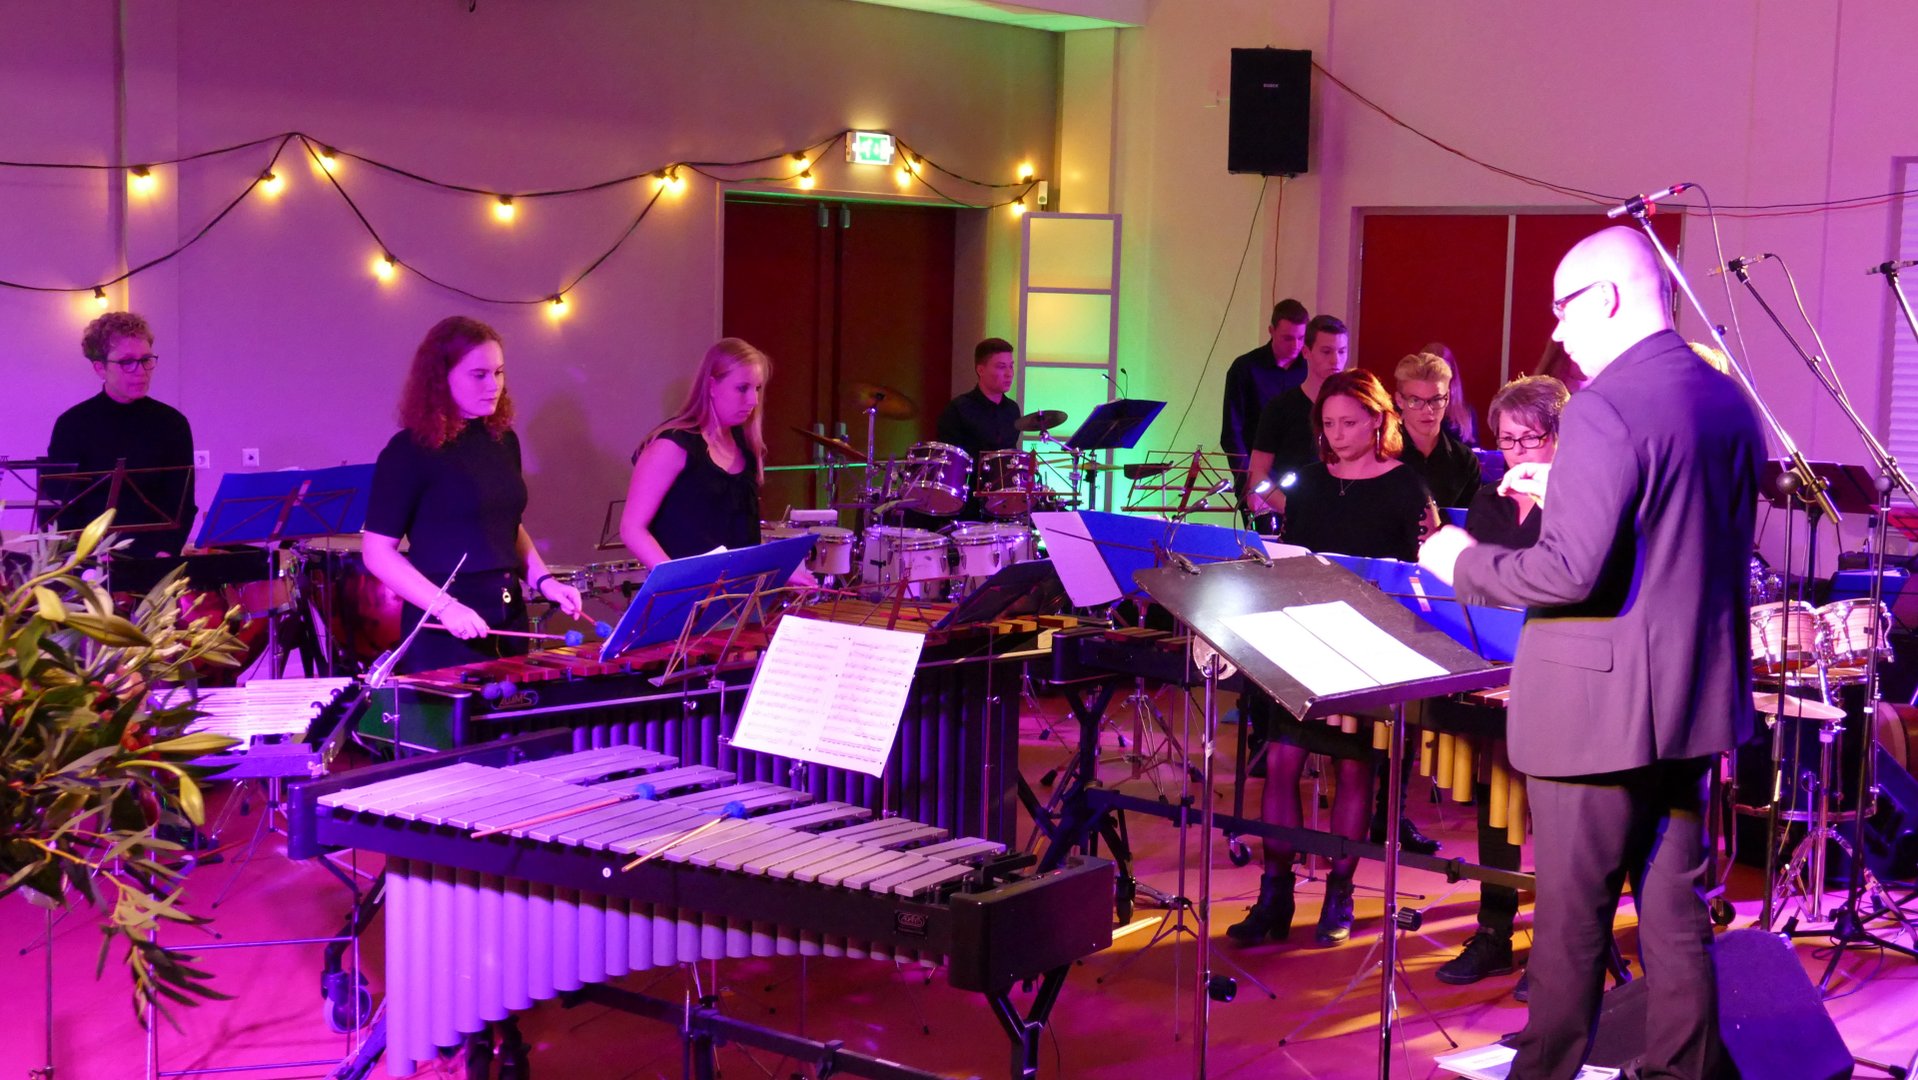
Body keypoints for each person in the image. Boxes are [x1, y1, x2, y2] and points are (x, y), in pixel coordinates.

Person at [1420, 226, 1761, 1080]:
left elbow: (1569, 574)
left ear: (1606, 297)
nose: (1559, 331)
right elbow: (1675, 528)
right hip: (1691, 702)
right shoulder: (1727, 398)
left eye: (1564, 308)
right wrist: (1565, 486)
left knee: (1570, 931)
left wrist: (1459, 560)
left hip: (1597, 717)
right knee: (1675, 921)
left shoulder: (1604, 406)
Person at [1227, 369, 1437, 948]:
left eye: (1348, 423)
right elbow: (1292, 557)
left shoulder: (1407, 485)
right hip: (1304, 637)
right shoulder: (1311, 482)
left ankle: (1340, 893)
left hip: (1370, 646)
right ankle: (1275, 895)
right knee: (1282, 762)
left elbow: (1424, 573)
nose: (1337, 435)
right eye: (1327, 424)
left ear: (1377, 420)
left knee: (1353, 769)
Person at [1431, 374, 1570, 991]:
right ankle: (1493, 930)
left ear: (1559, 437)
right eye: (1506, 440)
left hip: (1560, 671)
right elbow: (1479, 580)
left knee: (1559, 819)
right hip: (1496, 667)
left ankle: (1559, 948)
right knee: (1497, 803)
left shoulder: (1580, 500)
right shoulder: (1489, 501)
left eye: (1528, 439)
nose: (1515, 453)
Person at [362, 316, 583, 675]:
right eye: (479, 375)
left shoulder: (503, 440)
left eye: (499, 373)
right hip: (445, 625)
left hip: (508, 614)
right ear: (441, 378)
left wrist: (545, 582)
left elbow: (507, 526)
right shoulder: (409, 451)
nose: (493, 385)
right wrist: (446, 607)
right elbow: (377, 553)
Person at [622, 338, 813, 590]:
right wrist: (680, 584)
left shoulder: (745, 446)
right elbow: (632, 529)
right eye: (742, 388)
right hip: (687, 599)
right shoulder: (673, 445)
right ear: (712, 386)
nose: (753, 400)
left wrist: (778, 572)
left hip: (736, 596)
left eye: (757, 388)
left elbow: (740, 542)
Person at [45, 312, 196, 558]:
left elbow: (181, 503)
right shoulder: (72, 425)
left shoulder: (173, 424)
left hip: (155, 559)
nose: (141, 371)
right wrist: (82, 556)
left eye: (146, 359)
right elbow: (61, 509)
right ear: (100, 368)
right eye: (127, 362)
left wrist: (165, 552)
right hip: (90, 560)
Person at [1246, 313, 1347, 524]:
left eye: (1342, 351)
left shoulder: (1355, 408)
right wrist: (1290, 508)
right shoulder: (1280, 407)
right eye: (1326, 351)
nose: (1336, 360)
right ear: (1306, 352)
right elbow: (1257, 474)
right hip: (1296, 517)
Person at [1221, 299, 1310, 525]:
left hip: (1301, 480)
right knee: (1263, 545)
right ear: (1271, 331)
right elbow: (1232, 433)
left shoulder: (1308, 369)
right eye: (1287, 338)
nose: (1296, 345)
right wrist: (1248, 485)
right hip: (1258, 480)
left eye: (1301, 338)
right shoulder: (1245, 368)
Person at [1393, 351, 1483, 513]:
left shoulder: (1465, 461)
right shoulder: (1381, 455)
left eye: (1436, 400)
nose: (1428, 410)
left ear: (1447, 398)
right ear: (1400, 401)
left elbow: (1472, 521)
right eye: (1415, 400)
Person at [935, 338, 1022, 458]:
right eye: (1001, 367)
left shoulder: (1012, 409)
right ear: (981, 370)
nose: (1009, 374)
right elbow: (948, 460)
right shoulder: (958, 410)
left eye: (1011, 366)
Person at [1422, 341, 1479, 446]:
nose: (1437, 381)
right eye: (1431, 374)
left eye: (1443, 374)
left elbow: (1474, 452)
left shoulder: (1467, 414)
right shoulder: (1406, 411)